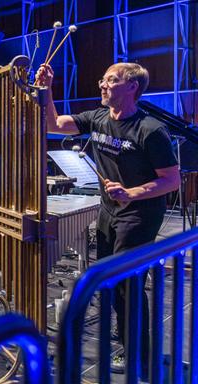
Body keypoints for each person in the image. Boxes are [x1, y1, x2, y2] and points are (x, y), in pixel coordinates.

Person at [36, 62, 180, 377]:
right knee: (111, 283)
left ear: (132, 88)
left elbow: (172, 181)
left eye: (111, 80)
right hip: (109, 211)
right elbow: (54, 124)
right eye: (103, 78)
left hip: (140, 214)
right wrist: (46, 89)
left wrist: (133, 192)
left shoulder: (151, 130)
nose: (102, 84)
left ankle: (139, 357)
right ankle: (130, 343)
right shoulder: (99, 118)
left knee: (129, 284)